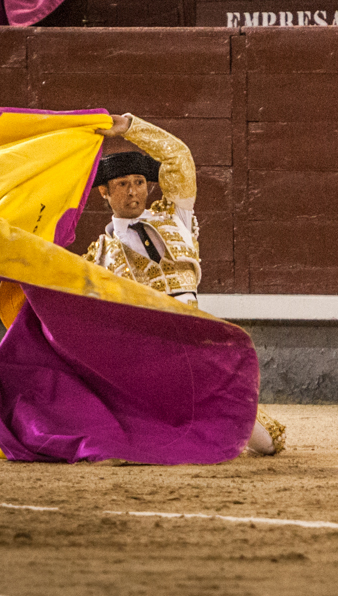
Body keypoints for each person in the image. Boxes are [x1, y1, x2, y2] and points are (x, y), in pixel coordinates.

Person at [87, 112, 284, 456]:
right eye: (122, 184)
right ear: (104, 191)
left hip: (192, 334)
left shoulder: (174, 216)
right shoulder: (98, 254)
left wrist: (133, 128)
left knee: (267, 443)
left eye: (138, 182)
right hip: (144, 351)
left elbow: (178, 158)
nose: (133, 192)